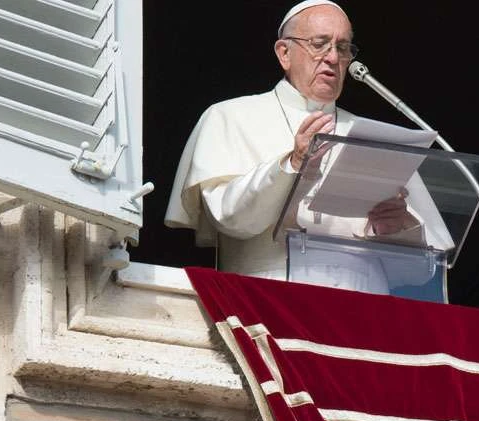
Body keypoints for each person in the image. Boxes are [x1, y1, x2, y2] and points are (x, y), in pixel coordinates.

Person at [165, 0, 448, 295]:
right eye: (319, 44)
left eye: (342, 48)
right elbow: (231, 218)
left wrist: (400, 227)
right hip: (269, 299)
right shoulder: (229, 116)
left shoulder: (375, 138)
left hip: (366, 308)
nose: (332, 58)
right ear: (284, 53)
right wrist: (291, 164)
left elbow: (417, 275)